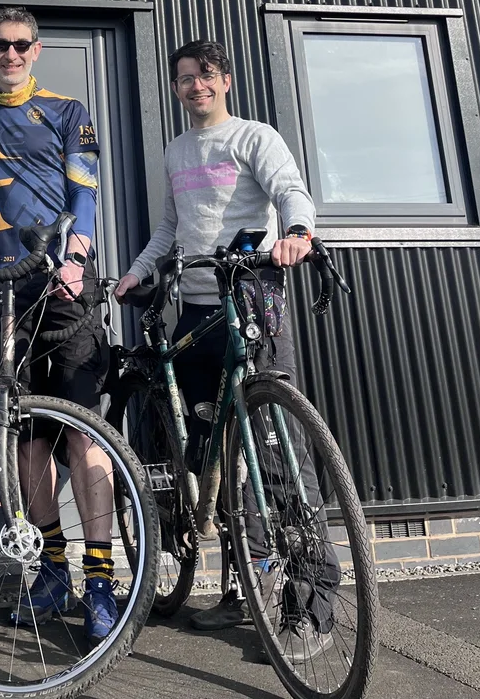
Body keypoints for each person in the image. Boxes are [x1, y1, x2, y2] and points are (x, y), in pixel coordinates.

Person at [115, 38, 340, 664]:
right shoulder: (176, 150)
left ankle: (311, 601)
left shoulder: (254, 137)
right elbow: (169, 228)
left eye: (206, 75)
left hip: (252, 297)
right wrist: (138, 271)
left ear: (226, 80)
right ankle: (246, 589)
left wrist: (297, 233)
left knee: (278, 451)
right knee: (216, 452)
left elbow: (290, 191)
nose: (196, 86)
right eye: (185, 78)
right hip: (195, 307)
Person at [0, 6, 117, 644]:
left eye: (22, 44)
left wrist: (77, 256)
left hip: (63, 282)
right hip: (3, 291)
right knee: (27, 440)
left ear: (37, 49)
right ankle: (51, 570)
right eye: (2, 44)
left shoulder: (68, 110)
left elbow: (86, 187)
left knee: (84, 433)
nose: (12, 54)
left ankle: (100, 580)